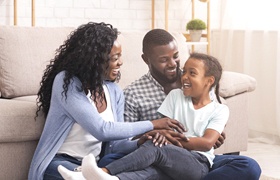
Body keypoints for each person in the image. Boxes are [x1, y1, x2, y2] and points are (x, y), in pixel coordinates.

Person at [28, 23, 186, 180]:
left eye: (120, 56)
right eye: (115, 58)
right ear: (95, 59)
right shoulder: (66, 82)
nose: (120, 62)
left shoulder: (114, 91)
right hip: (60, 163)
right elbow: (101, 130)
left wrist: (140, 141)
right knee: (84, 176)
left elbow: (114, 146)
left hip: (94, 167)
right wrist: (154, 124)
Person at [57, 52, 229, 180]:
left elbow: (206, 144)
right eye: (184, 71)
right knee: (151, 169)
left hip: (197, 163)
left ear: (209, 81)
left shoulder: (219, 110)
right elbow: (163, 129)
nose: (184, 76)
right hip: (169, 159)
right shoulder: (175, 96)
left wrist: (171, 141)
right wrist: (160, 136)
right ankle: (108, 178)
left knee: (157, 147)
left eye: (192, 73)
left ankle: (102, 172)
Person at [122, 29, 261, 179]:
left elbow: (211, 112)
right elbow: (126, 141)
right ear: (146, 59)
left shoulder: (197, 78)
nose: (173, 64)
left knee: (249, 166)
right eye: (163, 60)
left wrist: (213, 133)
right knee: (113, 161)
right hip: (160, 157)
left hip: (198, 158)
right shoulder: (133, 93)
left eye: (176, 56)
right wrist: (152, 135)